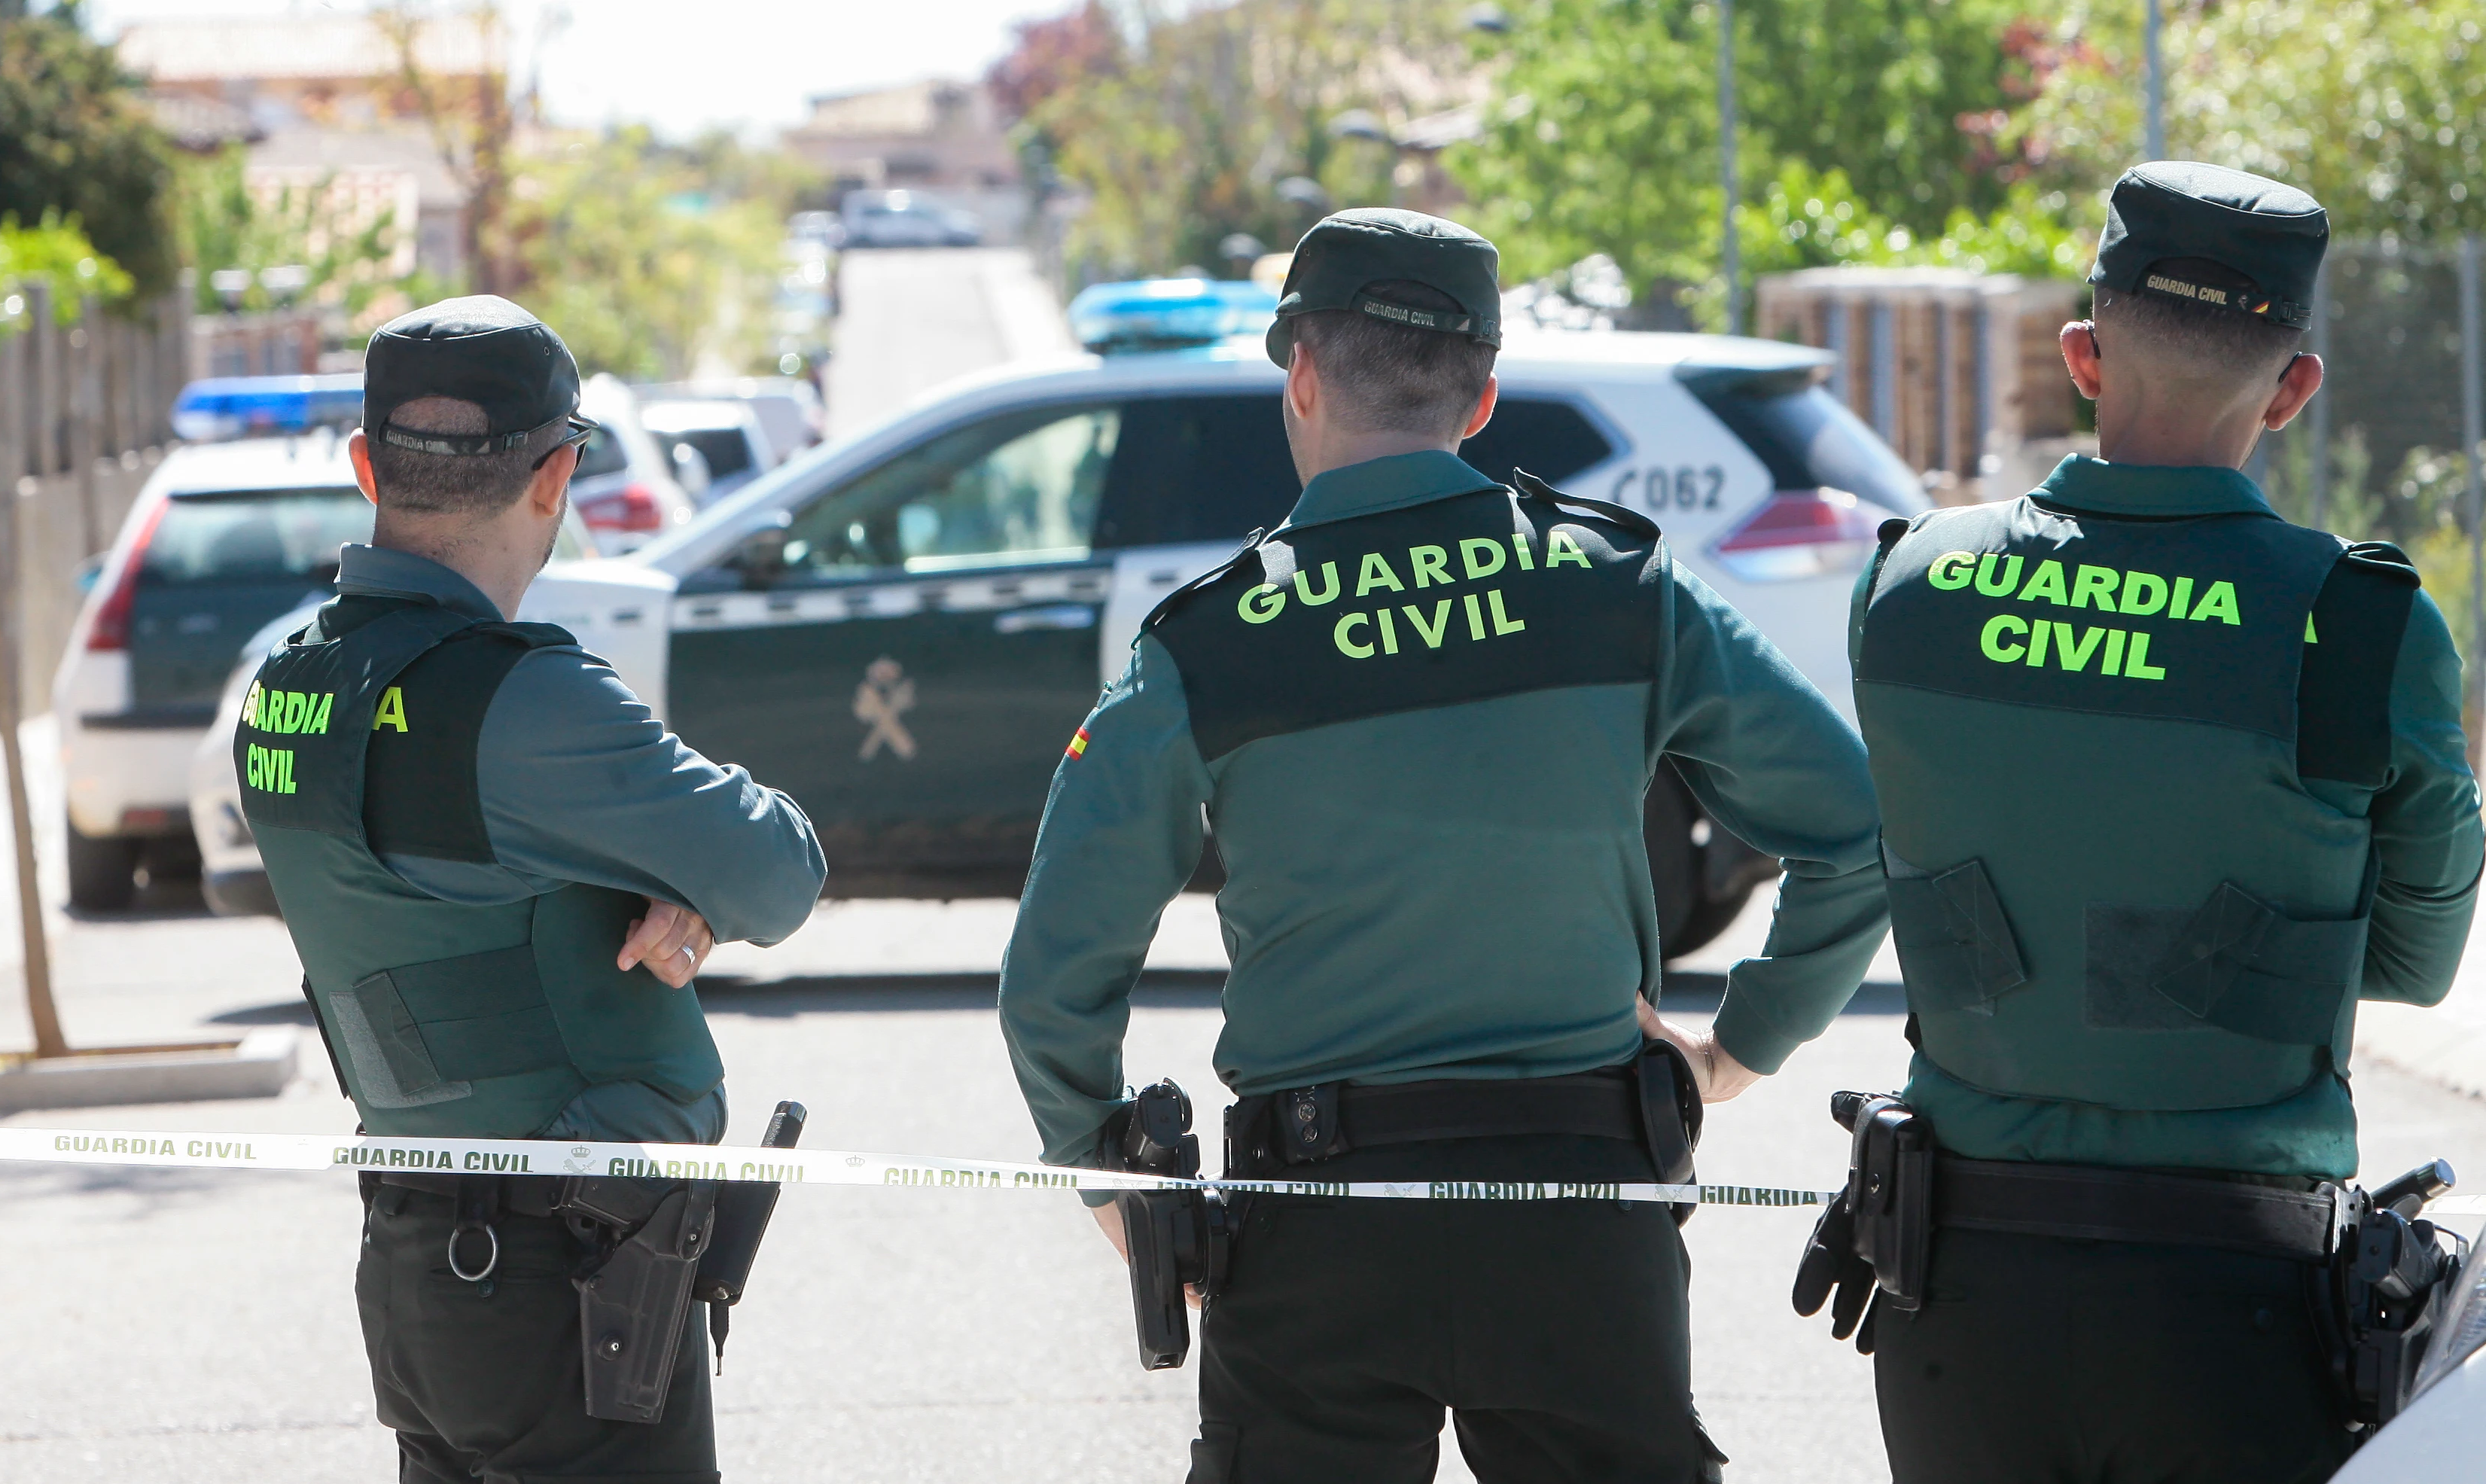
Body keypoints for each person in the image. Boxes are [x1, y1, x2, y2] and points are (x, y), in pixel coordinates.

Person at [997, 208, 1891, 1483]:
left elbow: (1052, 973)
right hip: (1584, 1212)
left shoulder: (1207, 641)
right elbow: (1856, 833)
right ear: (1481, 401)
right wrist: (1733, 1050)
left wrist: (1110, 1179)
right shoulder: (1621, 588)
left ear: (1300, 375)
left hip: (1317, 1230)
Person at [1822, 162, 2481, 1482]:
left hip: (1958, 1293)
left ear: (2081, 354)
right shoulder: (2357, 623)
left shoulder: (1911, 583)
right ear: (2295, 387)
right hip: (2237, 1296)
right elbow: (2412, 963)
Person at [236, 295, 825, 1484]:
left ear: (366, 467)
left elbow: (451, 884)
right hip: (569, 1281)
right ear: (556, 477)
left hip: (421, 1267)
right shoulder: (521, 703)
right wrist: (688, 883)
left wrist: (654, 875)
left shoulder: (282, 694)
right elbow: (777, 869)